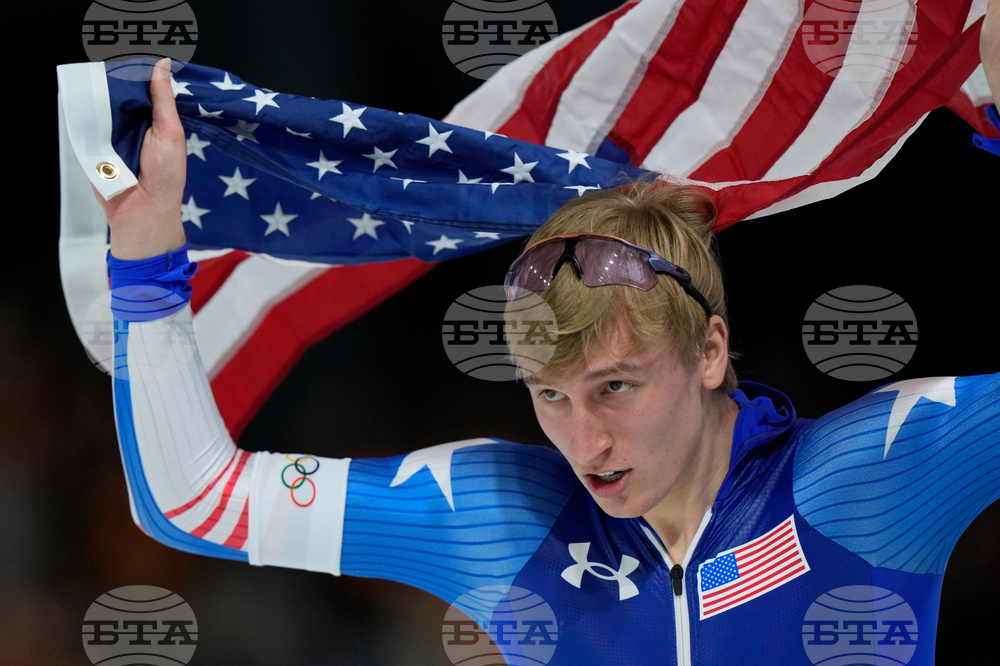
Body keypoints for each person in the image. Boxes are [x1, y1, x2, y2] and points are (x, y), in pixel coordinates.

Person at [95, 8, 1000, 661]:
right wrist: (144, 258)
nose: (585, 441)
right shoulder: (499, 516)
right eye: (550, 397)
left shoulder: (871, 477)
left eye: (615, 386)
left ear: (711, 350)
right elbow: (193, 502)